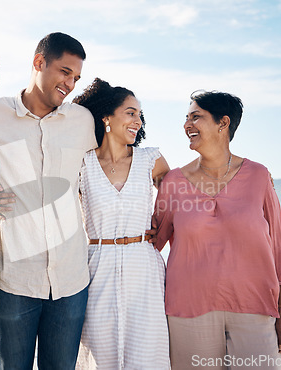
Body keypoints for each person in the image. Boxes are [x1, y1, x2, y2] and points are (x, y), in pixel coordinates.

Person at [0, 32, 97, 369]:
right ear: (39, 63)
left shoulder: (82, 121)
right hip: (15, 278)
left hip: (70, 279)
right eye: (65, 72)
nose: (70, 84)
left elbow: (107, 168)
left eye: (76, 78)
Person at [153, 90, 281, 369]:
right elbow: (152, 241)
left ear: (223, 123)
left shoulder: (259, 176)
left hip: (254, 307)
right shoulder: (173, 182)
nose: (187, 125)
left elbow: (277, 246)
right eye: (186, 118)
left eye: (196, 117)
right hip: (188, 311)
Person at [73, 78, 170, 369]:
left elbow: (184, 197)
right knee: (100, 354)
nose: (138, 121)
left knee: (146, 354)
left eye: (139, 115)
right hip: (96, 266)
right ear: (106, 118)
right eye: (130, 112)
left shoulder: (150, 159)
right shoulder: (82, 163)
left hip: (144, 266)